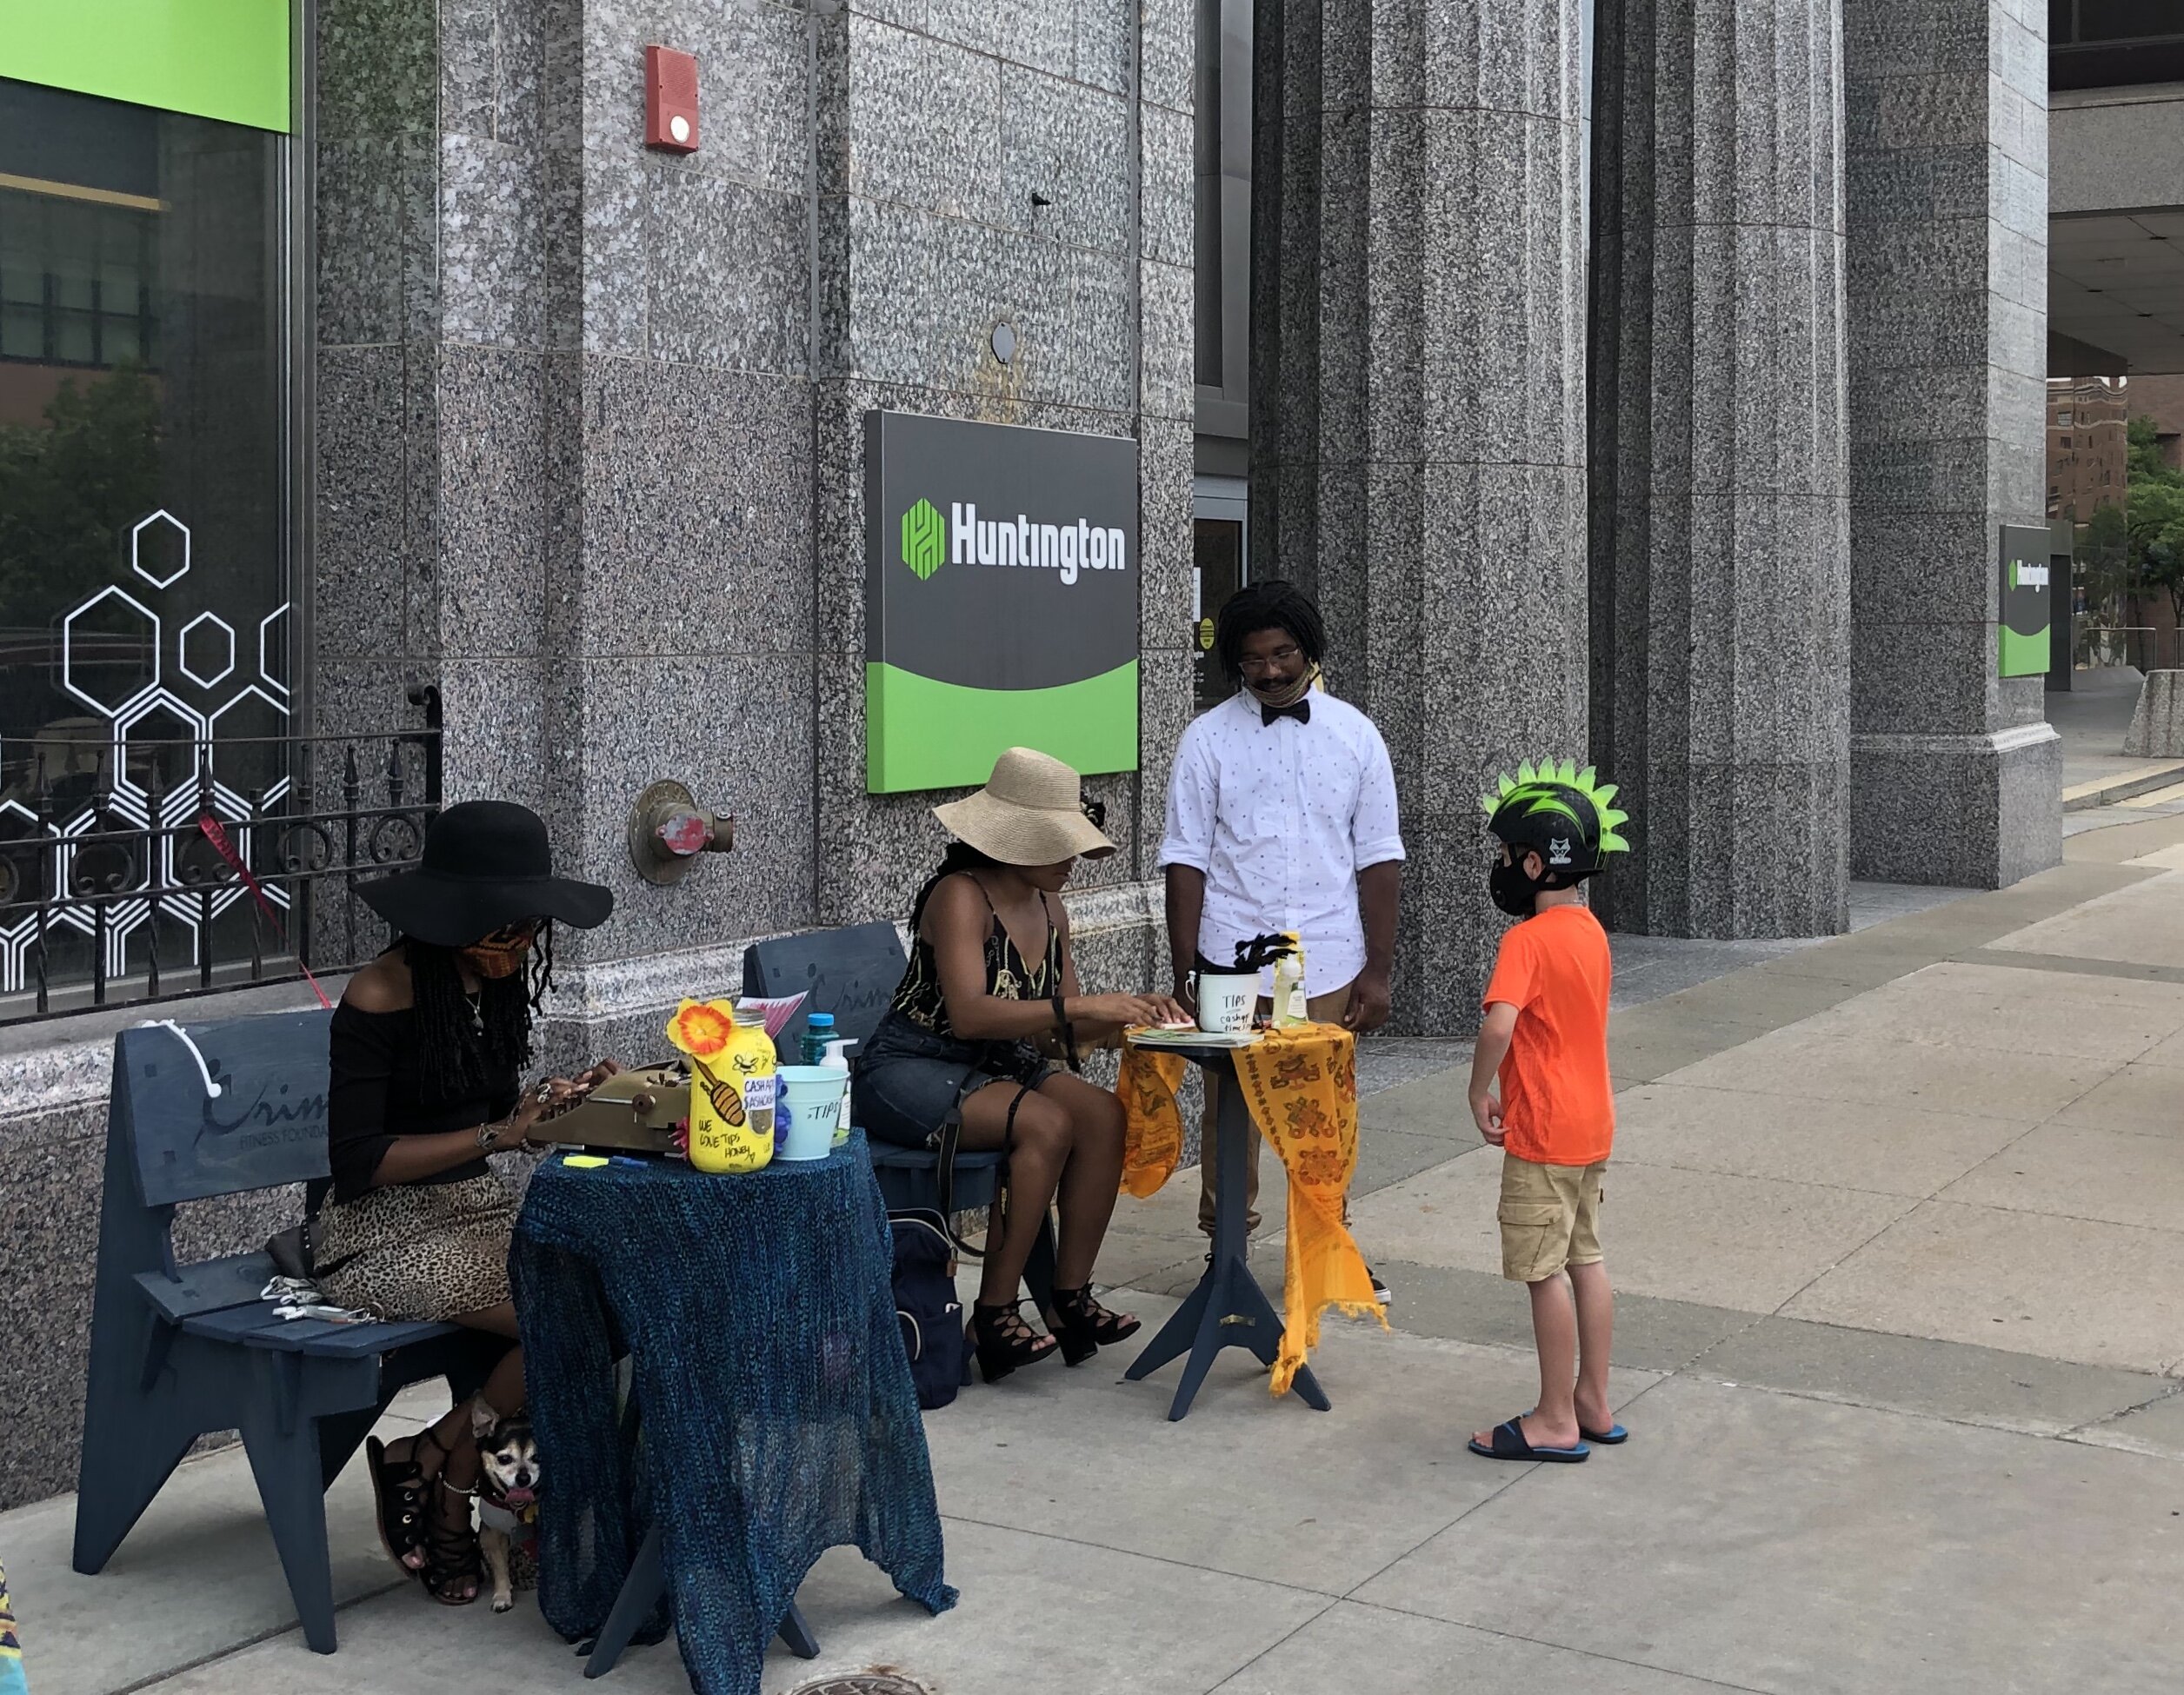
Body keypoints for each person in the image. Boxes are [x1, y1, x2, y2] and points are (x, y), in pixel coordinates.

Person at [314, 800, 616, 1604]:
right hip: (378, 1231)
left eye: (528, 930)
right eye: (503, 931)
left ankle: (438, 1452)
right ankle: (449, 1488)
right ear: (452, 919)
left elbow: (481, 1108)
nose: (519, 947)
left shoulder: (490, 983)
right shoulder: (382, 990)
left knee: (615, 1291)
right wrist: (499, 1137)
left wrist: (549, 1107)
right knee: (563, 1312)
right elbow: (358, 1161)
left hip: (475, 1210)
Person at [855, 747, 1190, 1384]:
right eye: (1059, 842)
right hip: (909, 1066)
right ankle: (996, 1312)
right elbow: (970, 1015)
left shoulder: (1049, 907)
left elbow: (1054, 1035)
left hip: (992, 1065)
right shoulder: (961, 896)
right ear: (1013, 843)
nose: (1072, 857)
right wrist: (1086, 1004)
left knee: (1100, 1115)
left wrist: (1130, 1024)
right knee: (1044, 1124)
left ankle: (1069, 1296)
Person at [1158, 580, 1403, 1301]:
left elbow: (1379, 856)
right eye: (1253, 659)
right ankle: (1224, 1253)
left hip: (1329, 959)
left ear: (1310, 652)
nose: (1269, 671)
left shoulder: (1356, 735)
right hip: (1231, 961)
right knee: (1231, 1123)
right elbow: (1185, 859)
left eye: (1283, 653)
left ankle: (1325, 1251)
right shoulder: (1206, 741)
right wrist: (1186, 973)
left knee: (1322, 1118)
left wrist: (1379, 972)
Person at [1465, 761, 1632, 1464]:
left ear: (1534, 862)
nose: (1502, 868)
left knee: (1543, 1273)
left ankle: (1555, 1417)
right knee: (1585, 1258)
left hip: (1542, 1131)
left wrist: (1479, 1089)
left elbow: (1499, 1024)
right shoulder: (1590, 930)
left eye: (1506, 856)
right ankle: (1593, 1398)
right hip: (1592, 1126)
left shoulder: (1525, 942)